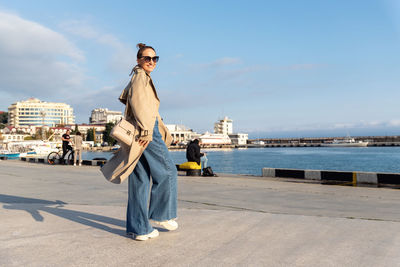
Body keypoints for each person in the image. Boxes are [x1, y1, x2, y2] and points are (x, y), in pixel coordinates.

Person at [109, 43, 178, 241]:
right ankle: (162, 215)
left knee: (139, 180)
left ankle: (139, 228)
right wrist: (148, 131)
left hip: (141, 130)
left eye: (154, 59)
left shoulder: (137, 76)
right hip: (146, 131)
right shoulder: (140, 77)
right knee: (168, 171)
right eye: (147, 58)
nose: (151, 62)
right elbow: (139, 105)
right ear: (139, 60)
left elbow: (130, 101)